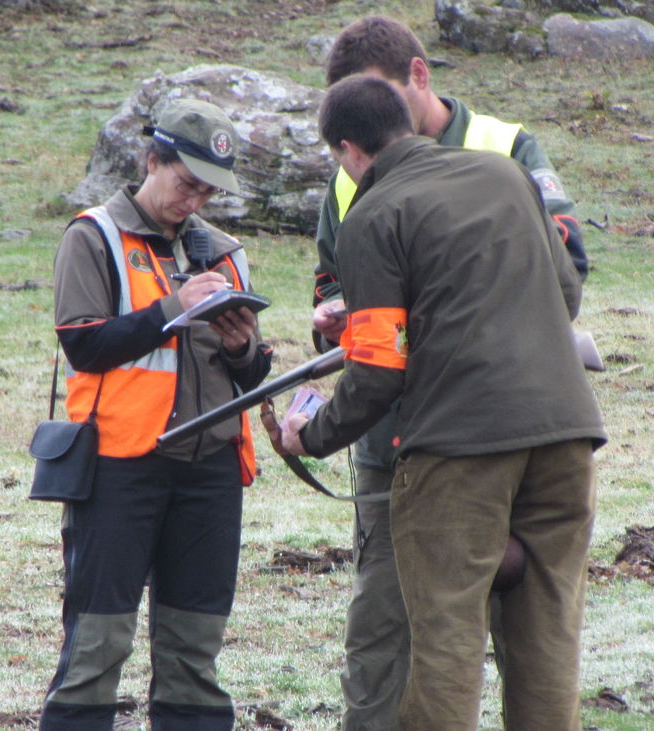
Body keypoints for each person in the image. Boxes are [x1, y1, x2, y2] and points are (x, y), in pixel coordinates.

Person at [267, 75, 606, 730]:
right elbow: (563, 296)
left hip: (458, 451)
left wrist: (307, 435)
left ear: (347, 149)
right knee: (548, 642)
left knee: (446, 641)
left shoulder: (371, 214)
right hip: (566, 437)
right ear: (405, 120)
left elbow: (378, 371)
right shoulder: (506, 177)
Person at [40, 98, 273, 730]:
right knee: (96, 647)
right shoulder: (93, 237)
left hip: (211, 475)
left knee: (195, 656)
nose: (194, 200)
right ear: (151, 160)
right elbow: (83, 344)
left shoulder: (227, 253)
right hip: (120, 468)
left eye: (207, 191)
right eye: (185, 183)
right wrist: (171, 309)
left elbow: (250, 375)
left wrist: (241, 347)